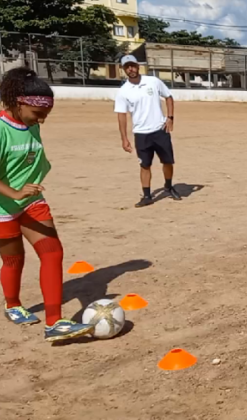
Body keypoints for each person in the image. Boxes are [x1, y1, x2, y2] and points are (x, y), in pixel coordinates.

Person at [0, 68, 95, 342]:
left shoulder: (32, 124)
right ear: (19, 103)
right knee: (13, 259)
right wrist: (15, 193)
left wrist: (25, 192)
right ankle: (13, 304)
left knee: (52, 253)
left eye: (46, 115)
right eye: (38, 113)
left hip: (31, 201)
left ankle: (55, 322)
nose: (42, 120)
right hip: (3, 207)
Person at [114, 55, 181, 208]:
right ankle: (147, 196)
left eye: (133, 65)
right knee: (145, 165)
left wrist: (170, 118)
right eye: (127, 67)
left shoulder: (153, 81)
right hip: (141, 133)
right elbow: (121, 116)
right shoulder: (123, 92)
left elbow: (169, 97)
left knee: (168, 161)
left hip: (160, 129)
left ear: (138, 66)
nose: (131, 69)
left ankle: (169, 186)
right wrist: (124, 138)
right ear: (124, 69)